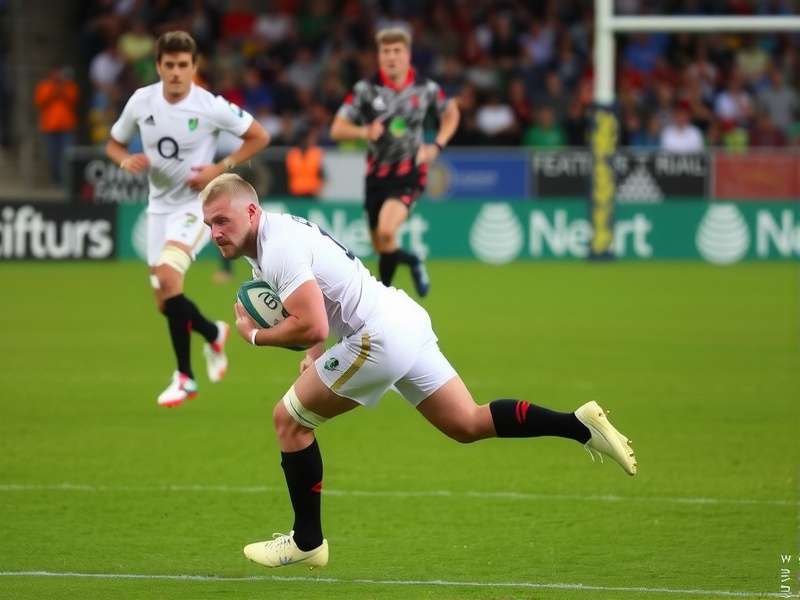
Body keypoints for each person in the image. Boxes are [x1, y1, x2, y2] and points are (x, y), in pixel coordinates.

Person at [200, 173, 638, 569]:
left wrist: (253, 336)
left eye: (223, 220)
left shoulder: (277, 248)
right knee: (467, 422)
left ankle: (308, 541)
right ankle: (578, 425)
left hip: (376, 337)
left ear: (251, 210)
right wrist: (315, 353)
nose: (216, 232)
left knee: (288, 420)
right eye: (209, 225)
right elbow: (316, 304)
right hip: (401, 316)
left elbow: (312, 322)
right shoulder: (276, 235)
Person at [105, 31, 269, 407]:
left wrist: (219, 167)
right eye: (169, 65)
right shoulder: (141, 101)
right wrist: (123, 159)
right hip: (159, 207)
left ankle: (185, 377)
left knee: (167, 277)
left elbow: (260, 136)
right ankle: (213, 332)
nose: (176, 72)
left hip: (197, 207)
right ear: (159, 66)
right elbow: (113, 143)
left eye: (183, 65)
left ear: (194, 68)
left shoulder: (209, 105)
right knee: (165, 301)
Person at [330, 27, 460, 298]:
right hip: (375, 176)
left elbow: (452, 113)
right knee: (382, 246)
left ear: (407, 55)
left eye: (397, 51)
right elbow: (337, 129)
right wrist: (364, 132)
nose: (391, 57)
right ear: (378, 56)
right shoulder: (365, 90)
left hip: (409, 173)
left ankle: (383, 300)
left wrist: (436, 145)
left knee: (388, 232)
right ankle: (412, 260)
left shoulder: (425, 88)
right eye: (386, 51)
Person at [34, 67, 79, 185]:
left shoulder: (69, 85)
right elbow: (40, 101)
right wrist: (54, 89)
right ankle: (56, 181)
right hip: (49, 128)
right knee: (52, 157)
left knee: (67, 157)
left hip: (66, 127)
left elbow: (73, 99)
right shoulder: (45, 86)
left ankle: (67, 182)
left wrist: (62, 88)